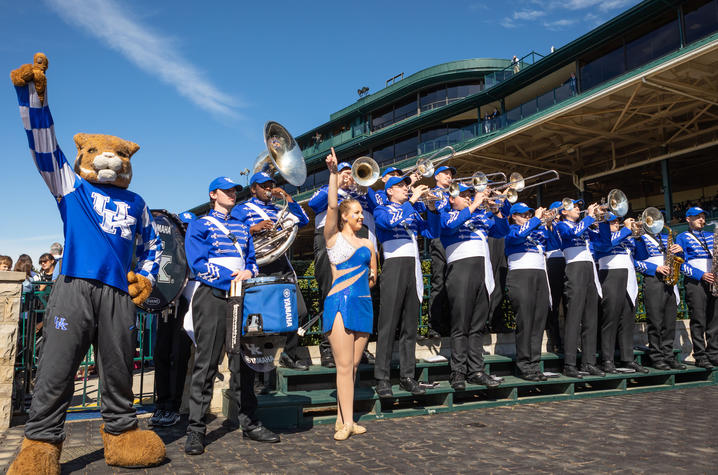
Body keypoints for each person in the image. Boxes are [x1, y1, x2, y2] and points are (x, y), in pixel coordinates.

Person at [183, 176, 278, 456]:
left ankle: (249, 423)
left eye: (235, 190)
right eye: (226, 191)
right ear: (213, 194)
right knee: (206, 364)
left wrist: (249, 272)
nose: (232, 194)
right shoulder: (200, 225)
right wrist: (231, 278)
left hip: (242, 297)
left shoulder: (241, 226)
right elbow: (198, 264)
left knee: (244, 364)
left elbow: (251, 260)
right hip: (213, 296)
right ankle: (196, 430)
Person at [232, 170, 310, 371]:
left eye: (270, 185)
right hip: (258, 265)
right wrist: (253, 229)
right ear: (253, 189)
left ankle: (288, 354)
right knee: (260, 320)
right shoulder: (242, 210)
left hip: (281, 264)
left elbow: (304, 221)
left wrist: (287, 197)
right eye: (263, 185)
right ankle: (257, 368)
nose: (268, 189)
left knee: (299, 311)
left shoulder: (277, 208)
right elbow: (230, 233)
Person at [322, 148, 376, 440]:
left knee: (353, 366)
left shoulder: (368, 244)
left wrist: (371, 274)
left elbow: (373, 278)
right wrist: (333, 175)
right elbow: (331, 207)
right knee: (343, 366)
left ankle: (342, 418)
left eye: (360, 212)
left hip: (363, 304)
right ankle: (347, 423)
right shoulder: (334, 238)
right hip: (340, 302)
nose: (360, 216)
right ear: (344, 217)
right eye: (355, 212)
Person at [440, 186, 508, 390]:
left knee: (478, 324)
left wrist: (496, 211)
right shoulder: (446, 214)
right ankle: (458, 371)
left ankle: (476, 370)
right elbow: (449, 226)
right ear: (452, 199)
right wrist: (477, 203)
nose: (470, 198)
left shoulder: (479, 215)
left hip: (482, 269)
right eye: (465, 195)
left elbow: (502, 230)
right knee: (460, 324)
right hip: (460, 269)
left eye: (471, 195)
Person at [309, 162, 376, 367]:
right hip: (328, 238)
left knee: (359, 291)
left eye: (350, 173)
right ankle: (328, 348)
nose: (348, 177)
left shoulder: (358, 196)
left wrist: (364, 188)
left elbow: (376, 208)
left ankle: (357, 347)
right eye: (344, 173)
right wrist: (336, 182)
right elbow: (314, 205)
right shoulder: (327, 190)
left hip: (356, 239)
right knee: (330, 289)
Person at [373, 173, 434, 397]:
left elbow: (432, 231)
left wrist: (434, 209)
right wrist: (412, 202)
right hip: (394, 264)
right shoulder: (382, 209)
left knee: (410, 326)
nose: (406, 189)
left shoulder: (412, 209)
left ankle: (408, 375)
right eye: (400, 186)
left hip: (413, 265)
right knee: (387, 324)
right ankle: (382, 378)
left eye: (406, 186)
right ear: (389, 191)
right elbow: (388, 223)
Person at [149, 211, 195, 429]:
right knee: (161, 354)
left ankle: (173, 406)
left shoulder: (196, 246)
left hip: (187, 303)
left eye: (186, 227)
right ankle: (162, 403)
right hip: (167, 302)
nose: (183, 231)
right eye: (181, 227)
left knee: (178, 355)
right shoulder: (167, 246)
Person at [594, 215, 646, 374]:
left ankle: (627, 358)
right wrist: (626, 230)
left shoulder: (627, 236)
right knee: (610, 320)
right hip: (610, 276)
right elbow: (605, 246)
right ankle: (607, 360)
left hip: (629, 278)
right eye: (612, 221)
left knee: (627, 320)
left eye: (617, 221)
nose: (616, 223)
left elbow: (643, 256)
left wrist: (638, 237)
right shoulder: (598, 235)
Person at [556, 200, 602, 378]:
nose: (577, 208)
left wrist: (600, 222)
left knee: (591, 318)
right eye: (573, 206)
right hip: (574, 268)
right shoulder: (561, 225)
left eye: (578, 206)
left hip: (589, 267)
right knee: (574, 317)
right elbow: (572, 234)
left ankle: (589, 362)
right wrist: (589, 217)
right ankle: (569, 364)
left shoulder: (586, 225)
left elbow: (603, 241)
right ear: (564, 212)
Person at [505, 203, 550, 381]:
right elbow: (517, 236)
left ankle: (534, 363)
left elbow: (555, 243)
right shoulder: (509, 229)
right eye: (523, 214)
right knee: (525, 320)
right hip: (520, 274)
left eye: (529, 214)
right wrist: (537, 220)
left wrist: (549, 224)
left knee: (539, 320)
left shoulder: (537, 229)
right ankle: (523, 364)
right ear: (513, 216)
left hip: (539, 273)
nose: (527, 216)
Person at [633, 223, 686, 370]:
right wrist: (655, 268)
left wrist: (680, 252)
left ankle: (668, 356)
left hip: (670, 281)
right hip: (653, 280)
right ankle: (656, 357)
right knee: (655, 321)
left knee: (669, 322)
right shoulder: (640, 239)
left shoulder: (666, 238)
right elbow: (634, 262)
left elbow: (681, 259)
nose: (656, 224)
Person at [676, 207, 717, 369]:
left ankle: (714, 353)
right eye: (697, 217)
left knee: (715, 319)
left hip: (714, 280)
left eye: (702, 217)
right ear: (688, 219)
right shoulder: (682, 237)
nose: (701, 219)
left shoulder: (711, 236)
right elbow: (680, 264)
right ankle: (700, 355)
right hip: (696, 282)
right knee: (698, 319)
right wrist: (700, 275)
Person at [426, 165, 454, 339]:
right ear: (437, 176)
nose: (449, 177)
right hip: (439, 238)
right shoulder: (432, 192)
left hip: (454, 239)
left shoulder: (455, 193)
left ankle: (452, 324)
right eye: (446, 174)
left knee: (453, 283)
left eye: (451, 175)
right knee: (439, 282)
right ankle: (434, 325)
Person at [544, 201, 565, 353]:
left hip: (568, 260)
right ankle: (556, 340)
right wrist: (550, 219)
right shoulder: (550, 224)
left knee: (570, 304)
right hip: (554, 261)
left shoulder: (568, 226)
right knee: (555, 304)